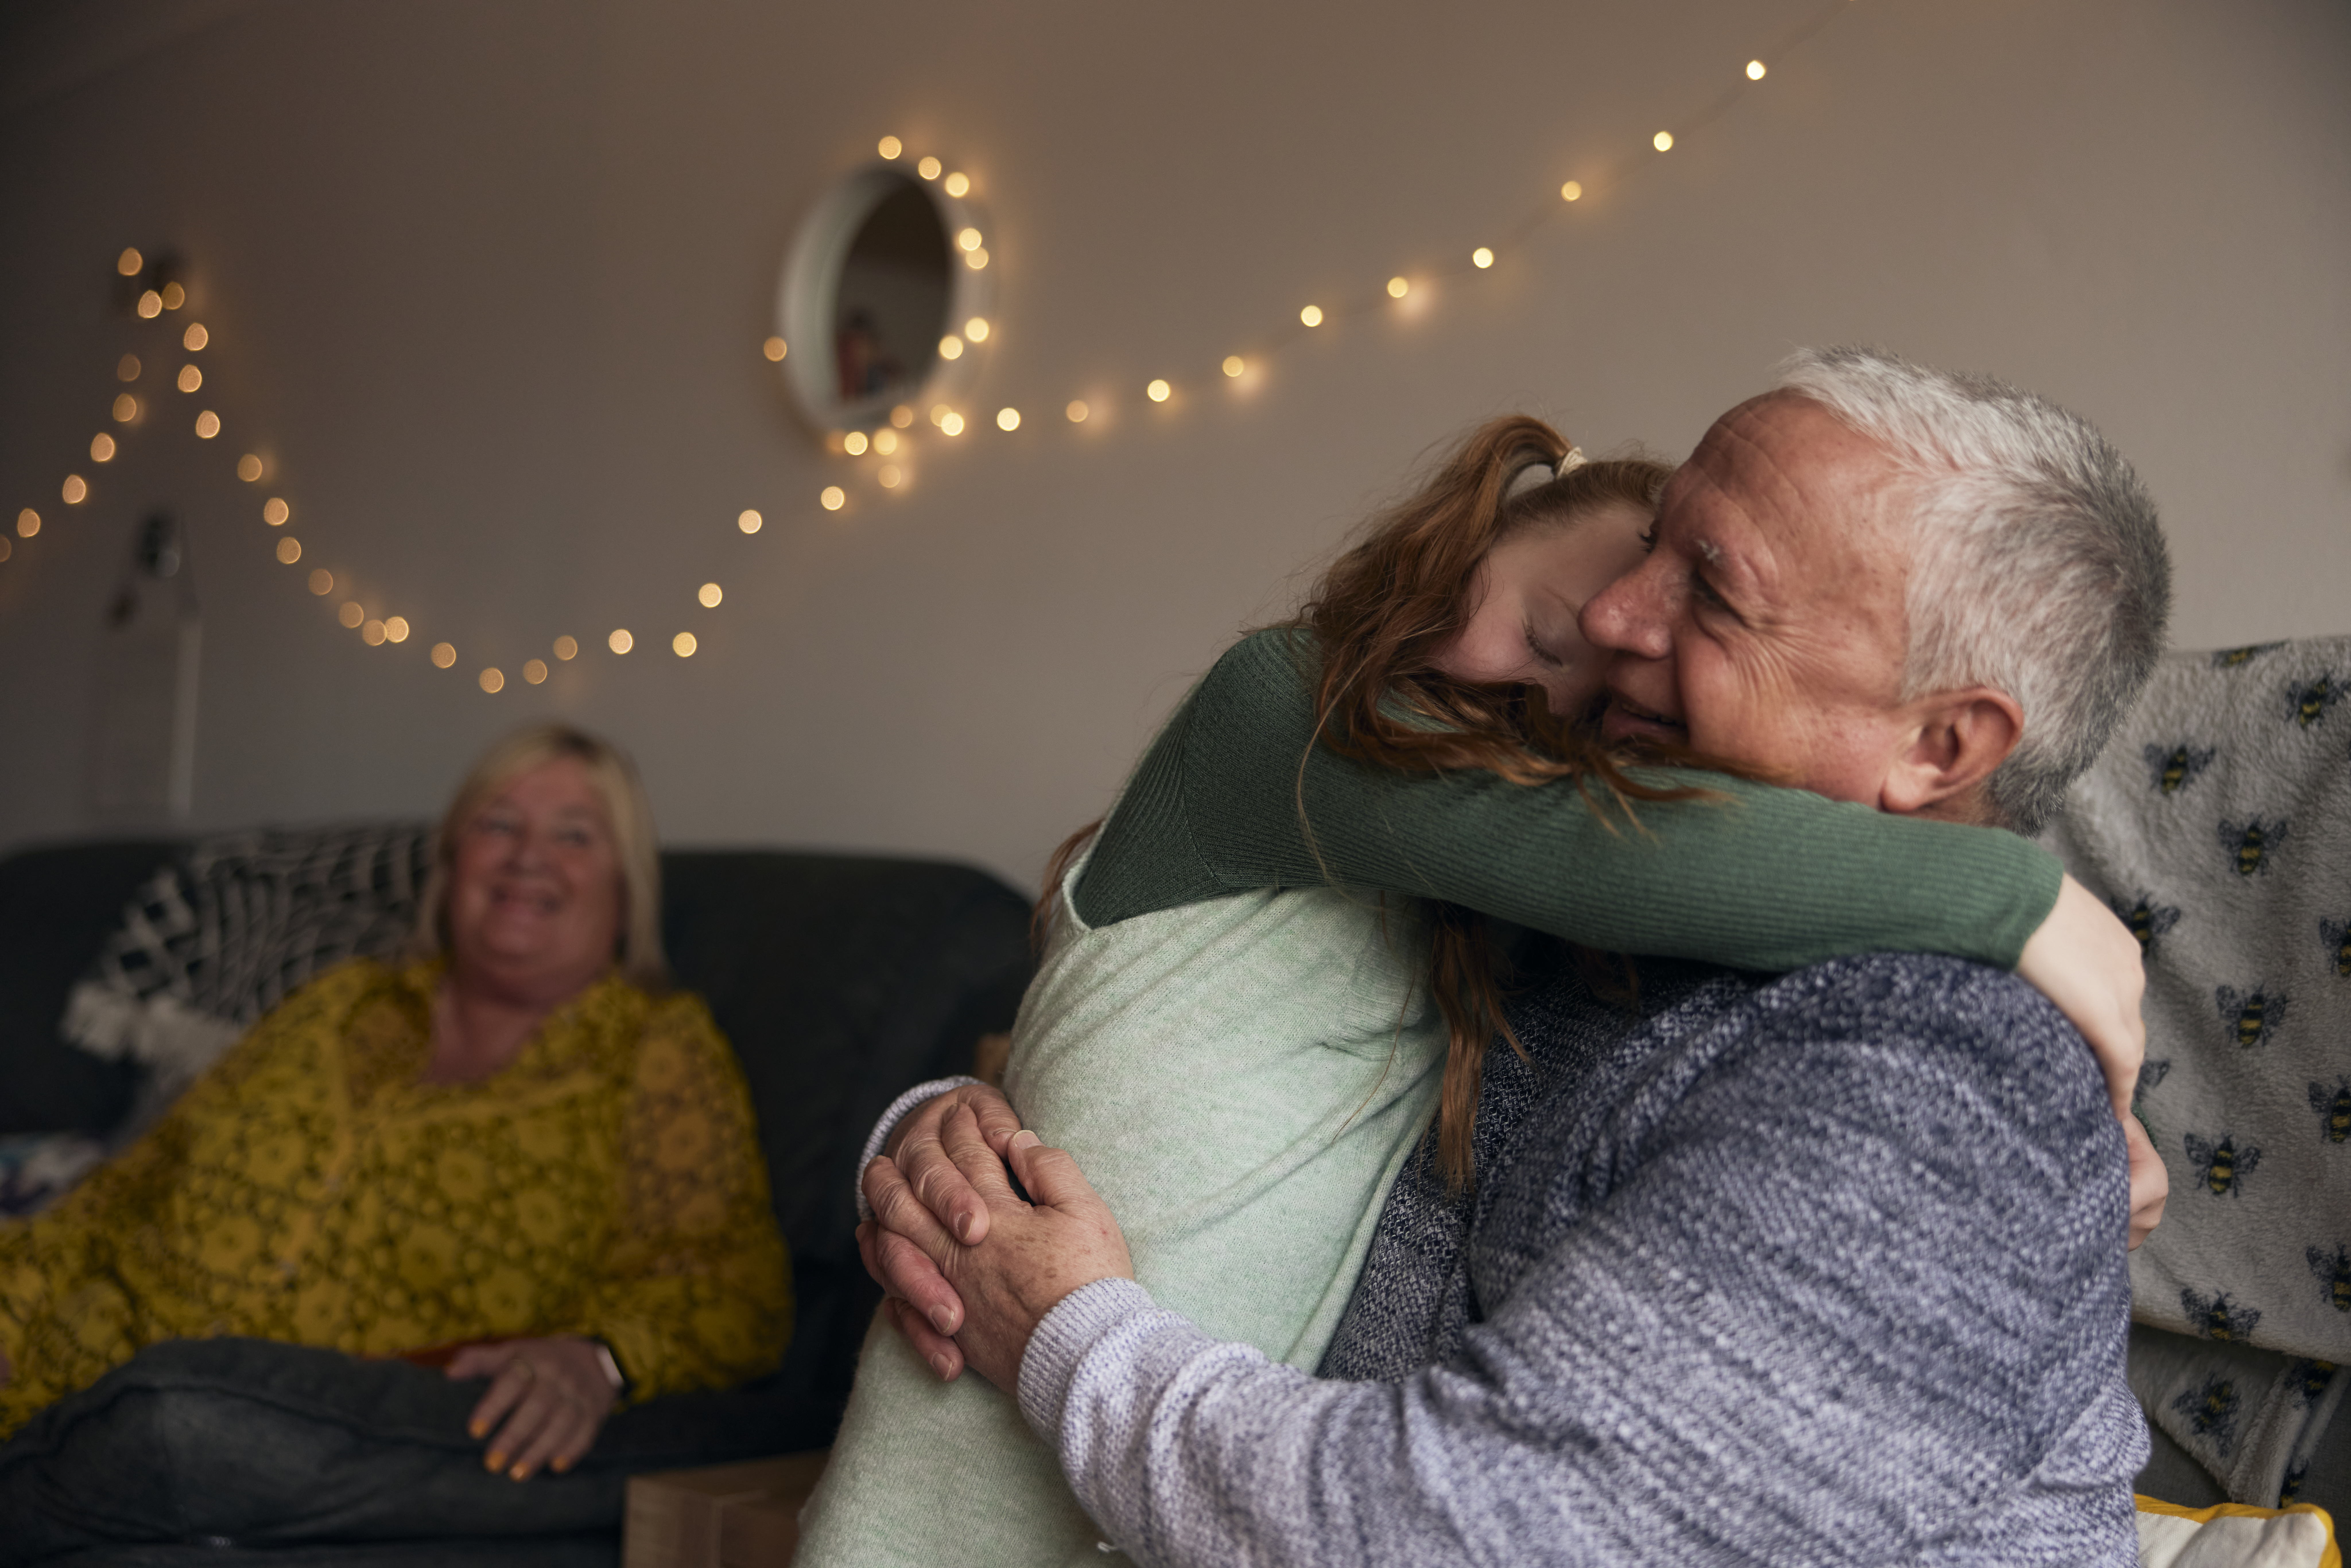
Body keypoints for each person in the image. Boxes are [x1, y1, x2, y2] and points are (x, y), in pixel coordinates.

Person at [865, 346, 2172, 1565]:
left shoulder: (1935, 1097)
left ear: (1940, 750)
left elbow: (1450, 1535)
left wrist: (1052, 1323)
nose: (1611, 615)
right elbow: (1229, 1069)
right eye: (1645, 549)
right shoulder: (1559, 900)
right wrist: (942, 1146)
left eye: (1710, 591)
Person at [0, 726, 790, 1492]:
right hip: (70, 1367)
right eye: (499, 824)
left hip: (288, 1435)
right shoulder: (342, 1005)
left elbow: (734, 1294)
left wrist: (602, 1358)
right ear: (453, 865)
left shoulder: (656, 1049)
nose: (527, 857)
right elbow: (127, 1189)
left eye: (575, 836)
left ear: (626, 890)